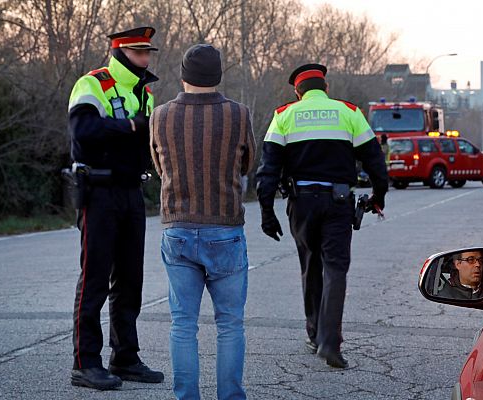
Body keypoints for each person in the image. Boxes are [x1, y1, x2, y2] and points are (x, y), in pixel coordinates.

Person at [256, 63, 388, 369]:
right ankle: (330, 343)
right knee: (336, 269)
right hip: (338, 202)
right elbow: (375, 161)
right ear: (325, 88)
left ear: (297, 92)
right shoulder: (349, 112)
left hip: (301, 204)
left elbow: (269, 169)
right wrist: (378, 196)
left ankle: (315, 333)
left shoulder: (283, 115)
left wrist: (267, 212)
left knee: (310, 264)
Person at [150, 44, 256, 400]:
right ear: (218, 76)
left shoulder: (160, 115)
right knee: (229, 325)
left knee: (183, 325)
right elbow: (247, 165)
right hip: (224, 228)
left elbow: (159, 167)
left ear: (183, 76)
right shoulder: (239, 114)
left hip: (177, 228)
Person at [67, 26, 163, 390]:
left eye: (148, 53)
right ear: (122, 53)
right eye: (139, 53)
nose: (146, 58)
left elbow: (150, 142)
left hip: (131, 192)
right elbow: (83, 131)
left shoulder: (146, 93)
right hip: (99, 191)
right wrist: (131, 126)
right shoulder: (92, 84)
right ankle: (84, 363)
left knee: (130, 280)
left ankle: (125, 357)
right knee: (94, 279)